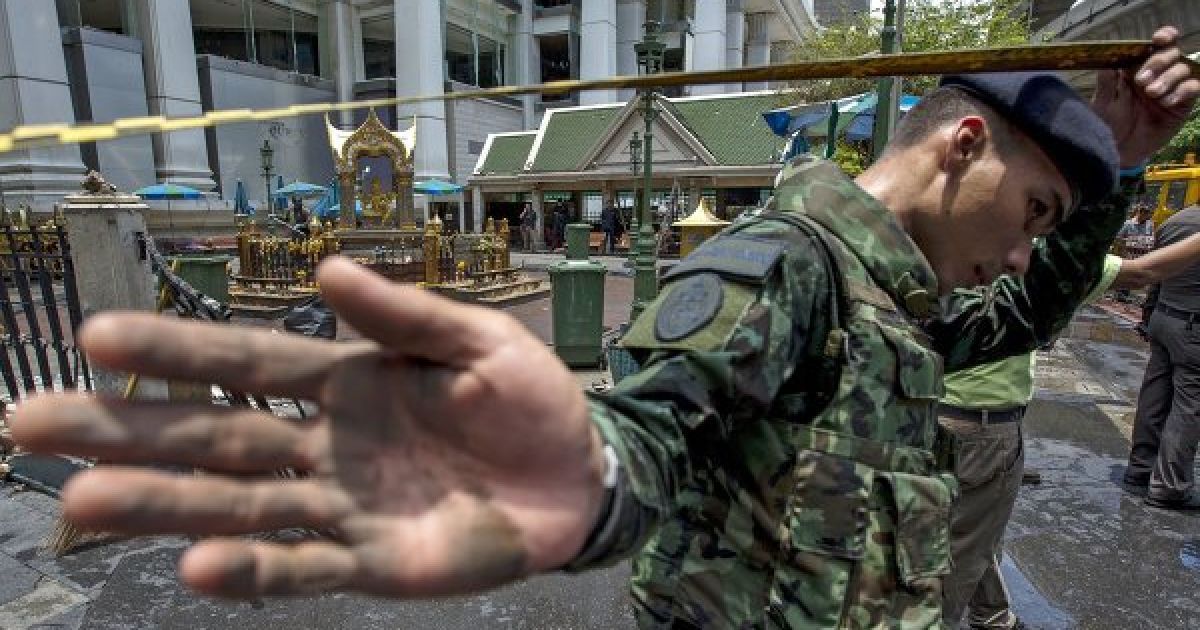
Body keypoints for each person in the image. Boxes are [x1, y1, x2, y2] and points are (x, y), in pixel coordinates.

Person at [9, 28, 1196, 627]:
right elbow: (646, 434)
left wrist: (1107, 186)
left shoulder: (895, 295)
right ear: (964, 146)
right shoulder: (787, 267)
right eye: (1037, 212)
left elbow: (1024, 313)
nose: (1030, 247)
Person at [942, 231, 1200, 630]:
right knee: (962, 548)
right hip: (985, 428)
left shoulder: (939, 240)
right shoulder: (1040, 262)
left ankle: (991, 614)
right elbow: (1143, 271)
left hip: (931, 412)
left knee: (973, 528)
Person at [1125, 202, 1200, 509]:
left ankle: (1140, 469)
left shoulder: (1176, 221)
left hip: (1163, 317)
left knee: (1155, 394)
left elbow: (1156, 273)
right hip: (1194, 327)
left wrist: (1148, 315)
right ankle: (1169, 486)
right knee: (1189, 406)